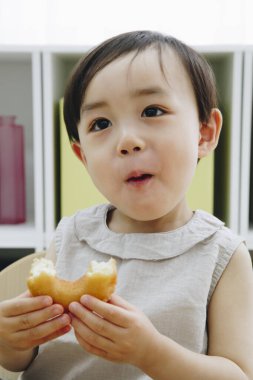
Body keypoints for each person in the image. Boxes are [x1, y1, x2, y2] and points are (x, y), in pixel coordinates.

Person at [0, 30, 253, 380]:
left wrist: (152, 354)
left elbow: (237, 374)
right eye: (101, 123)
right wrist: (12, 342)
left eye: (152, 110)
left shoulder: (222, 256)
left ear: (204, 133)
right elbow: (25, 360)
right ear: (82, 155)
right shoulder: (71, 236)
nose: (127, 141)